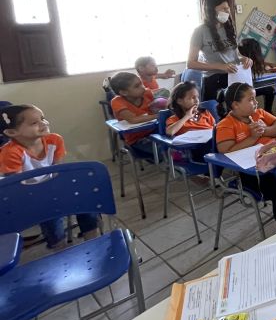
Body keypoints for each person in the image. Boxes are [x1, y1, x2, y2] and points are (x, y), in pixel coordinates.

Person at [0, 104, 100, 250]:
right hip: (28, 195)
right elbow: (17, 187)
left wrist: (59, 191)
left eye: (43, 118)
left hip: (52, 187)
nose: (44, 123)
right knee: (50, 214)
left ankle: (93, 243)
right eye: (34, 123)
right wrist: (49, 195)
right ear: (12, 132)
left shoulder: (54, 140)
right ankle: (60, 248)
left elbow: (57, 171)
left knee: (86, 200)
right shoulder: (10, 153)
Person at [215, 82, 276, 232]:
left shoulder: (259, 113)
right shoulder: (226, 125)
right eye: (251, 99)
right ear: (235, 105)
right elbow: (226, 152)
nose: (256, 102)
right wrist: (252, 138)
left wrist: (264, 130)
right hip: (255, 174)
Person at [187, 0, 253, 102]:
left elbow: (237, 55)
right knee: (214, 111)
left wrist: (245, 59)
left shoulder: (229, 28)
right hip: (213, 81)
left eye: (228, 8)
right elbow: (191, 63)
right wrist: (220, 66)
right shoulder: (200, 31)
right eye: (224, 9)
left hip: (234, 77)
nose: (228, 11)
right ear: (211, 11)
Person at [108, 71, 159, 155]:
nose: (143, 87)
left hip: (156, 131)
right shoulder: (117, 102)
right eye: (137, 86)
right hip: (137, 139)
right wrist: (157, 115)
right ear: (124, 92)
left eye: (141, 83)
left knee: (175, 142)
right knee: (164, 151)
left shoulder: (147, 93)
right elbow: (133, 119)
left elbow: (163, 99)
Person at [238, 38, 276, 113]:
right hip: (242, 92)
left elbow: (259, 63)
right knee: (269, 90)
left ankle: (268, 112)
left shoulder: (247, 59)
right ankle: (267, 112)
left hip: (247, 89)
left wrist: (270, 65)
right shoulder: (244, 62)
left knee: (269, 90)